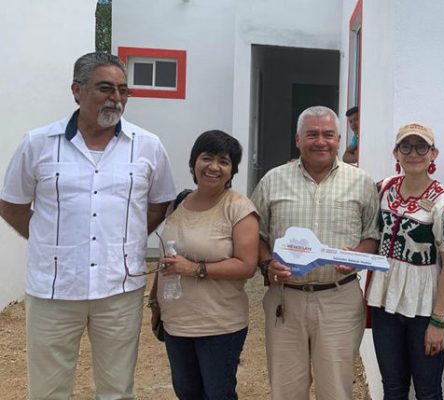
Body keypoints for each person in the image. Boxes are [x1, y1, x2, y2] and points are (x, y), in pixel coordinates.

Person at [0, 52, 176, 399]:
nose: (116, 98)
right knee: (48, 391)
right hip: (54, 289)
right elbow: (12, 204)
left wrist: (124, 240)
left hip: (119, 289)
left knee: (117, 390)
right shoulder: (38, 143)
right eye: (105, 88)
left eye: (123, 90)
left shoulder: (148, 146)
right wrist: (49, 239)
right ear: (76, 90)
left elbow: (160, 205)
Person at [251, 105, 380, 400]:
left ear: (339, 140)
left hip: (339, 299)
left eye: (328, 134)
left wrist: (355, 256)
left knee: (336, 390)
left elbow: (372, 236)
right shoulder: (272, 180)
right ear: (298, 140)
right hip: (285, 299)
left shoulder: (361, 182)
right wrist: (267, 264)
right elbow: (255, 234)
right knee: (286, 390)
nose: (320, 141)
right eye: (312, 134)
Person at [148, 130, 260, 399]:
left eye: (223, 161)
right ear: (193, 163)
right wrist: (155, 301)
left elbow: (247, 266)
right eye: (207, 158)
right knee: (187, 393)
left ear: (232, 170)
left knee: (218, 394)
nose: (214, 167)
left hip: (219, 325)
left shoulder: (238, 208)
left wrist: (195, 269)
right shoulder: (178, 203)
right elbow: (168, 257)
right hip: (177, 322)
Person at [366, 122, 444, 399]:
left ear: (433, 153)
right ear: (396, 153)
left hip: (426, 308)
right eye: (406, 146)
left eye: (421, 147)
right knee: (392, 388)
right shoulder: (383, 189)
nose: (413, 153)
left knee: (427, 391)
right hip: (385, 303)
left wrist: (438, 321)